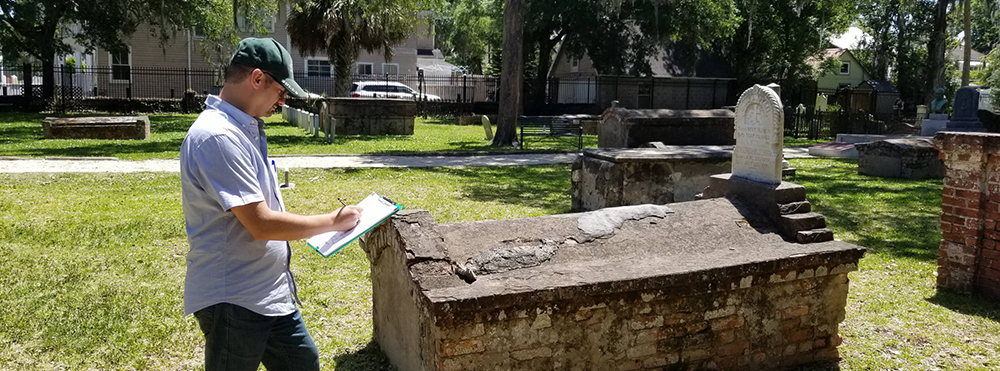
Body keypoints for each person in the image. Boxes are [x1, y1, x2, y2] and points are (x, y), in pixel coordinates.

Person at [179, 37, 362, 371]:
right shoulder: (217, 136)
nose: (282, 100)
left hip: (268, 291)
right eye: (280, 91)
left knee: (302, 363)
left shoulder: (241, 129)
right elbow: (261, 223)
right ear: (258, 79)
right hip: (235, 297)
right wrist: (334, 221)